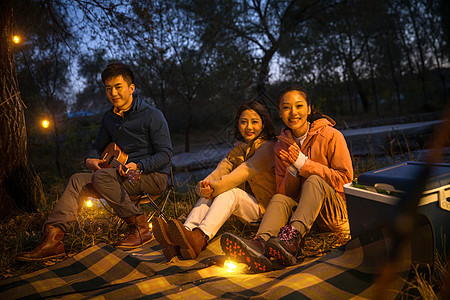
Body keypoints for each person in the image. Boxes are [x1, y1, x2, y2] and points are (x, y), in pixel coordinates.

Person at [17, 63, 173, 261]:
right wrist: (90, 159)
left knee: (102, 177)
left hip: (149, 175)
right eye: (108, 88)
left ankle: (141, 228)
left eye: (118, 86)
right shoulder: (109, 118)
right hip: (116, 176)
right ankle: (53, 240)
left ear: (131, 88)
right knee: (77, 179)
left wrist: (139, 166)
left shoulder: (152, 115)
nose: (113, 93)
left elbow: (166, 154)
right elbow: (97, 147)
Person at [221, 85, 353, 273]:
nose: (293, 113)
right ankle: (260, 243)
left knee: (314, 180)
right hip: (307, 218)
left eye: (299, 106)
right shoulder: (281, 147)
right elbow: (285, 194)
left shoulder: (332, 136)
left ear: (308, 108)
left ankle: (291, 240)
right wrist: (292, 171)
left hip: (334, 214)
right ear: (280, 114)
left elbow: (346, 179)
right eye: (286, 108)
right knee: (279, 198)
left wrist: (304, 164)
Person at [152, 101, 277, 260]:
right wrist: (205, 186)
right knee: (210, 192)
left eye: (254, 122)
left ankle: (199, 238)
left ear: (264, 124)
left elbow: (245, 170)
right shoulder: (239, 148)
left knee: (230, 192)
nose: (248, 127)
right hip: (247, 207)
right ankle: (183, 236)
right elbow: (221, 169)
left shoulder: (268, 147)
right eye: (243, 122)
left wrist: (216, 187)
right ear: (237, 124)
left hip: (263, 209)